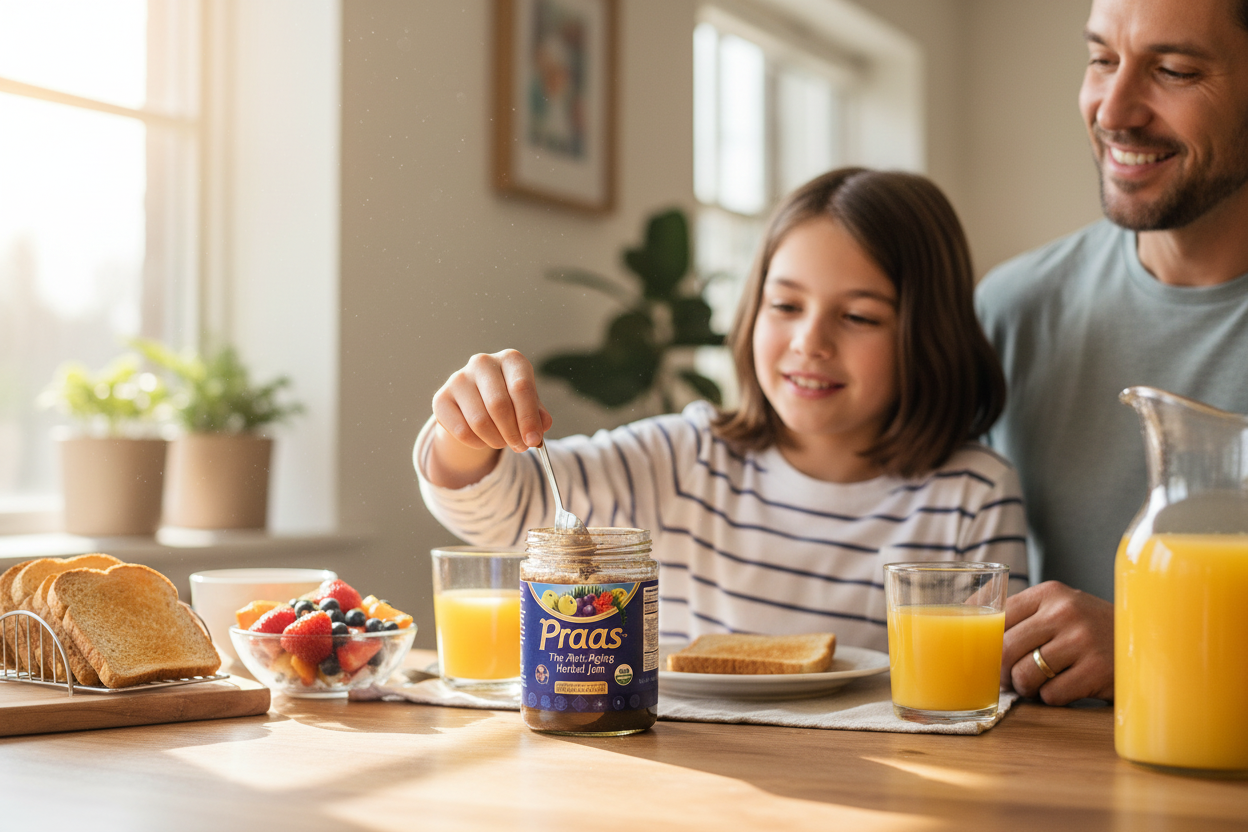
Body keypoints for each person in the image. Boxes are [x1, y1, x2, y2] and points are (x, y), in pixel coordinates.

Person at [416, 168, 1028, 653]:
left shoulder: (972, 493)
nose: (809, 343)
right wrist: (468, 429)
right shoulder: (685, 456)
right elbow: (504, 509)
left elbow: (990, 685)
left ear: (928, 334)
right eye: (785, 305)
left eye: (859, 317)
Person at [976, 0, 1248, 706]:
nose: (1114, 108)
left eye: (1174, 70)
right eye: (1101, 59)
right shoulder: (1009, 312)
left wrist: (1152, 645)